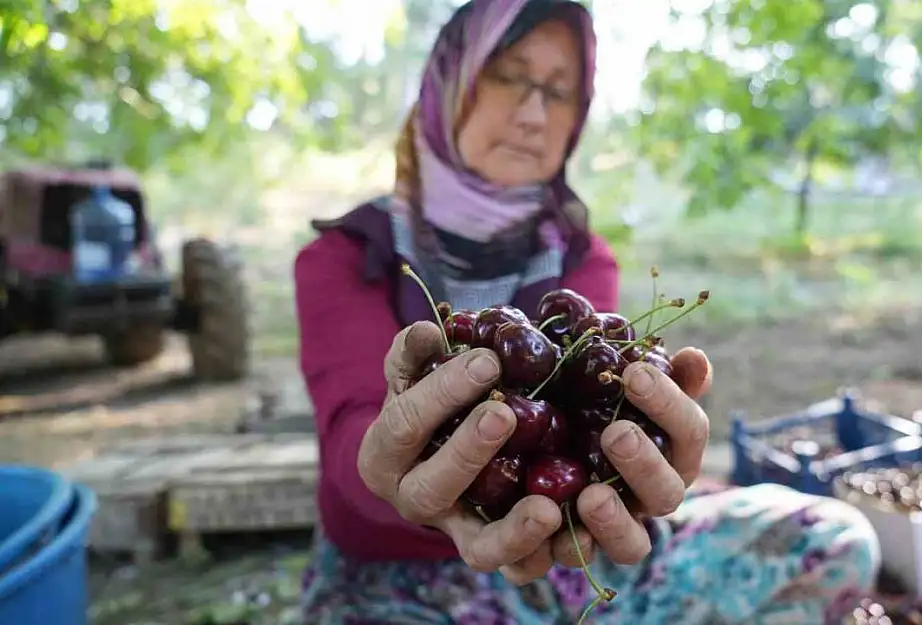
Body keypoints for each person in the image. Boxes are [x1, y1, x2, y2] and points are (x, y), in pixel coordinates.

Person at [292, 1, 881, 623]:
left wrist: (630, 466)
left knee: (831, 540)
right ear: (450, 83)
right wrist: (398, 471)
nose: (532, 114)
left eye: (559, 92)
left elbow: (582, 416)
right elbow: (354, 443)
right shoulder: (347, 257)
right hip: (405, 576)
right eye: (509, 76)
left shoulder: (576, 256)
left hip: (569, 564)